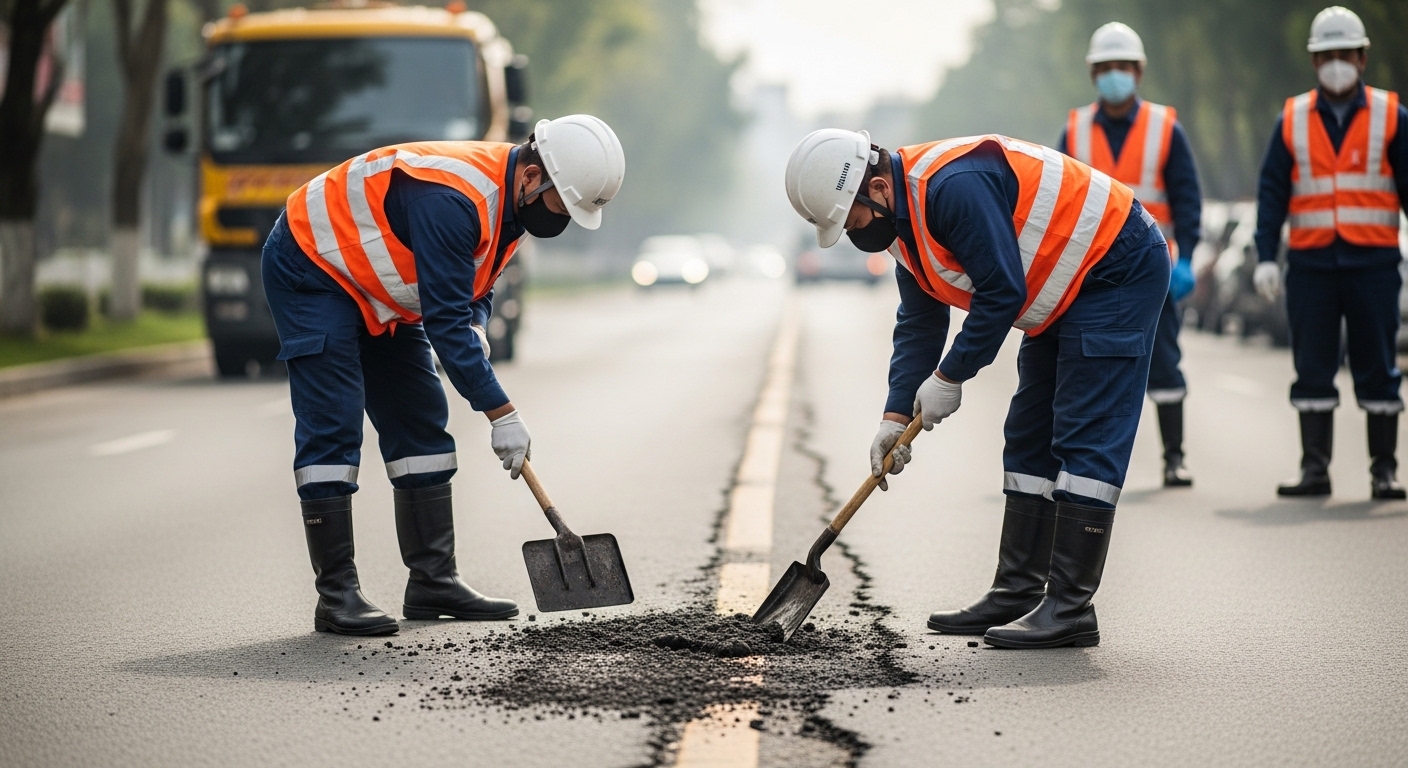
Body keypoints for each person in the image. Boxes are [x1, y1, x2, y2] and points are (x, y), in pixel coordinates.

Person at [784, 129, 1169, 648]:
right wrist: (895, 417)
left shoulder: (951, 188)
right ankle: (1017, 590)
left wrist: (951, 376)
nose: (854, 234)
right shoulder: (901, 223)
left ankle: (1071, 607)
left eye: (852, 221)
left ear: (876, 188)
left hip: (1115, 267)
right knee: (1029, 430)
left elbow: (1002, 290)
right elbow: (919, 323)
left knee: (1085, 430)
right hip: (1063, 289)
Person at [262, 115, 626, 635]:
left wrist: (477, 322)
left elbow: (477, 281)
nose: (562, 217)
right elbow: (445, 324)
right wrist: (503, 414)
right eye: (562, 204)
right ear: (531, 177)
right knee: (334, 422)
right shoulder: (452, 198)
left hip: (379, 283)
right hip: (313, 267)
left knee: (421, 422)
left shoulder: (513, 205)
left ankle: (433, 581)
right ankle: (336, 595)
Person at [1252, 6, 1408, 500]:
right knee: (1313, 366)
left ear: (1362, 58)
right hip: (1312, 266)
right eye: (1326, 56)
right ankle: (1314, 470)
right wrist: (1265, 256)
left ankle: (1384, 470)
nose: (1336, 63)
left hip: (1375, 264)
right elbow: (1272, 191)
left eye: (1344, 54)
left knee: (1378, 365)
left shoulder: (1391, 116)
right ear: (1314, 62)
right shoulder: (1292, 118)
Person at [1058, 22, 1202, 487]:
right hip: (1092, 273)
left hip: (1152, 272)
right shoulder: (1075, 129)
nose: (1114, 74)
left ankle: (1174, 458)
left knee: (1163, 362)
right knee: (1086, 365)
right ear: (1092, 74)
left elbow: (1188, 199)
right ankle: (1079, 463)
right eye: (1105, 68)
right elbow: (1057, 200)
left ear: (1138, 72)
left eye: (1122, 66)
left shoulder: (1165, 128)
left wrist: (1187, 259)